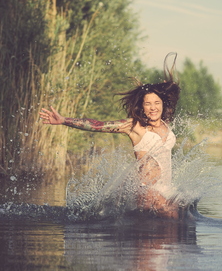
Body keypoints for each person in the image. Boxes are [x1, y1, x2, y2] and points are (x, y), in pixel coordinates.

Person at [39, 53, 181, 219]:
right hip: (145, 189)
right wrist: (64, 120)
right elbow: (97, 125)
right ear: (142, 107)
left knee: (178, 217)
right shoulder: (134, 126)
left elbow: (173, 96)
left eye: (157, 103)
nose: (153, 108)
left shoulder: (165, 121)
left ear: (163, 104)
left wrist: (169, 87)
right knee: (172, 214)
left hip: (165, 188)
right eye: (148, 104)